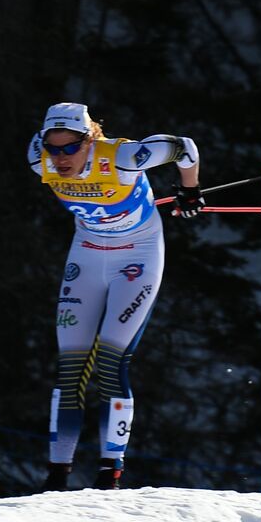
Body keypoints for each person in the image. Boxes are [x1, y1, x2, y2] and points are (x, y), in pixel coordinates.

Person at [30, 102, 203, 491]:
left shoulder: (124, 157)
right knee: (71, 368)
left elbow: (185, 146)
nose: (59, 158)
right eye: (52, 148)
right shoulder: (36, 157)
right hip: (88, 255)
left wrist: (189, 190)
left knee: (110, 363)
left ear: (90, 141)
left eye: (69, 148)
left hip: (138, 255)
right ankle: (57, 477)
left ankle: (110, 473)